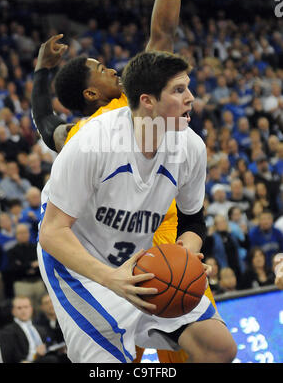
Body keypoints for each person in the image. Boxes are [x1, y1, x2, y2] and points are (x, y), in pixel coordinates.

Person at [31, 0, 227, 364]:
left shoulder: (148, 103)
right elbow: (47, 123)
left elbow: (164, 37)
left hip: (162, 238)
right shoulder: (88, 134)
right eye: (100, 68)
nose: (111, 68)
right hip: (107, 251)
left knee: (206, 349)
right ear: (91, 94)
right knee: (125, 359)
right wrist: (43, 75)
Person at [37, 47, 237, 363]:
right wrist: (110, 278)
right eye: (179, 90)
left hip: (139, 263)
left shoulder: (191, 147)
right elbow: (51, 233)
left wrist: (185, 251)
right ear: (147, 101)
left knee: (219, 347)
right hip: (78, 267)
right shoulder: (92, 142)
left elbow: (192, 220)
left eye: (188, 87)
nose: (191, 98)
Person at [4, 296, 59, 363]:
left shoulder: (39, 327)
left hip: (45, 357)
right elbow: (13, 354)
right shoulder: (9, 331)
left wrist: (46, 345)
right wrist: (35, 355)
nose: (23, 310)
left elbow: (49, 339)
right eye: (19, 308)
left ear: (31, 309)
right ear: (13, 311)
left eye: (26, 307)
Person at [7, 223, 46, 310]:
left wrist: (24, 266)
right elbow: (14, 269)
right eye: (20, 233)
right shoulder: (12, 251)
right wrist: (32, 265)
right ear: (16, 235)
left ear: (29, 233)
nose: (23, 235)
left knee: (42, 309)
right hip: (22, 284)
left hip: (38, 282)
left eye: (25, 232)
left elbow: (42, 264)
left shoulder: (36, 247)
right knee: (24, 310)